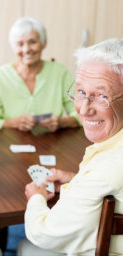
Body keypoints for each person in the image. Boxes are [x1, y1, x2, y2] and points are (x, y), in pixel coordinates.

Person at [17, 38, 123, 255]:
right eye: (81, 92)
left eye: (102, 96)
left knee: (26, 247)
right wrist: (78, 181)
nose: (83, 110)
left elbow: (44, 233)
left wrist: (35, 196)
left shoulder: (108, 169)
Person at [0, 17, 79, 132]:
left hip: (52, 143)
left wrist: (62, 122)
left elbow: (81, 113)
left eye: (32, 42)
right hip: (10, 142)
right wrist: (13, 123)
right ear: (13, 47)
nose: (26, 49)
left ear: (44, 43)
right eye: (19, 44)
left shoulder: (60, 72)